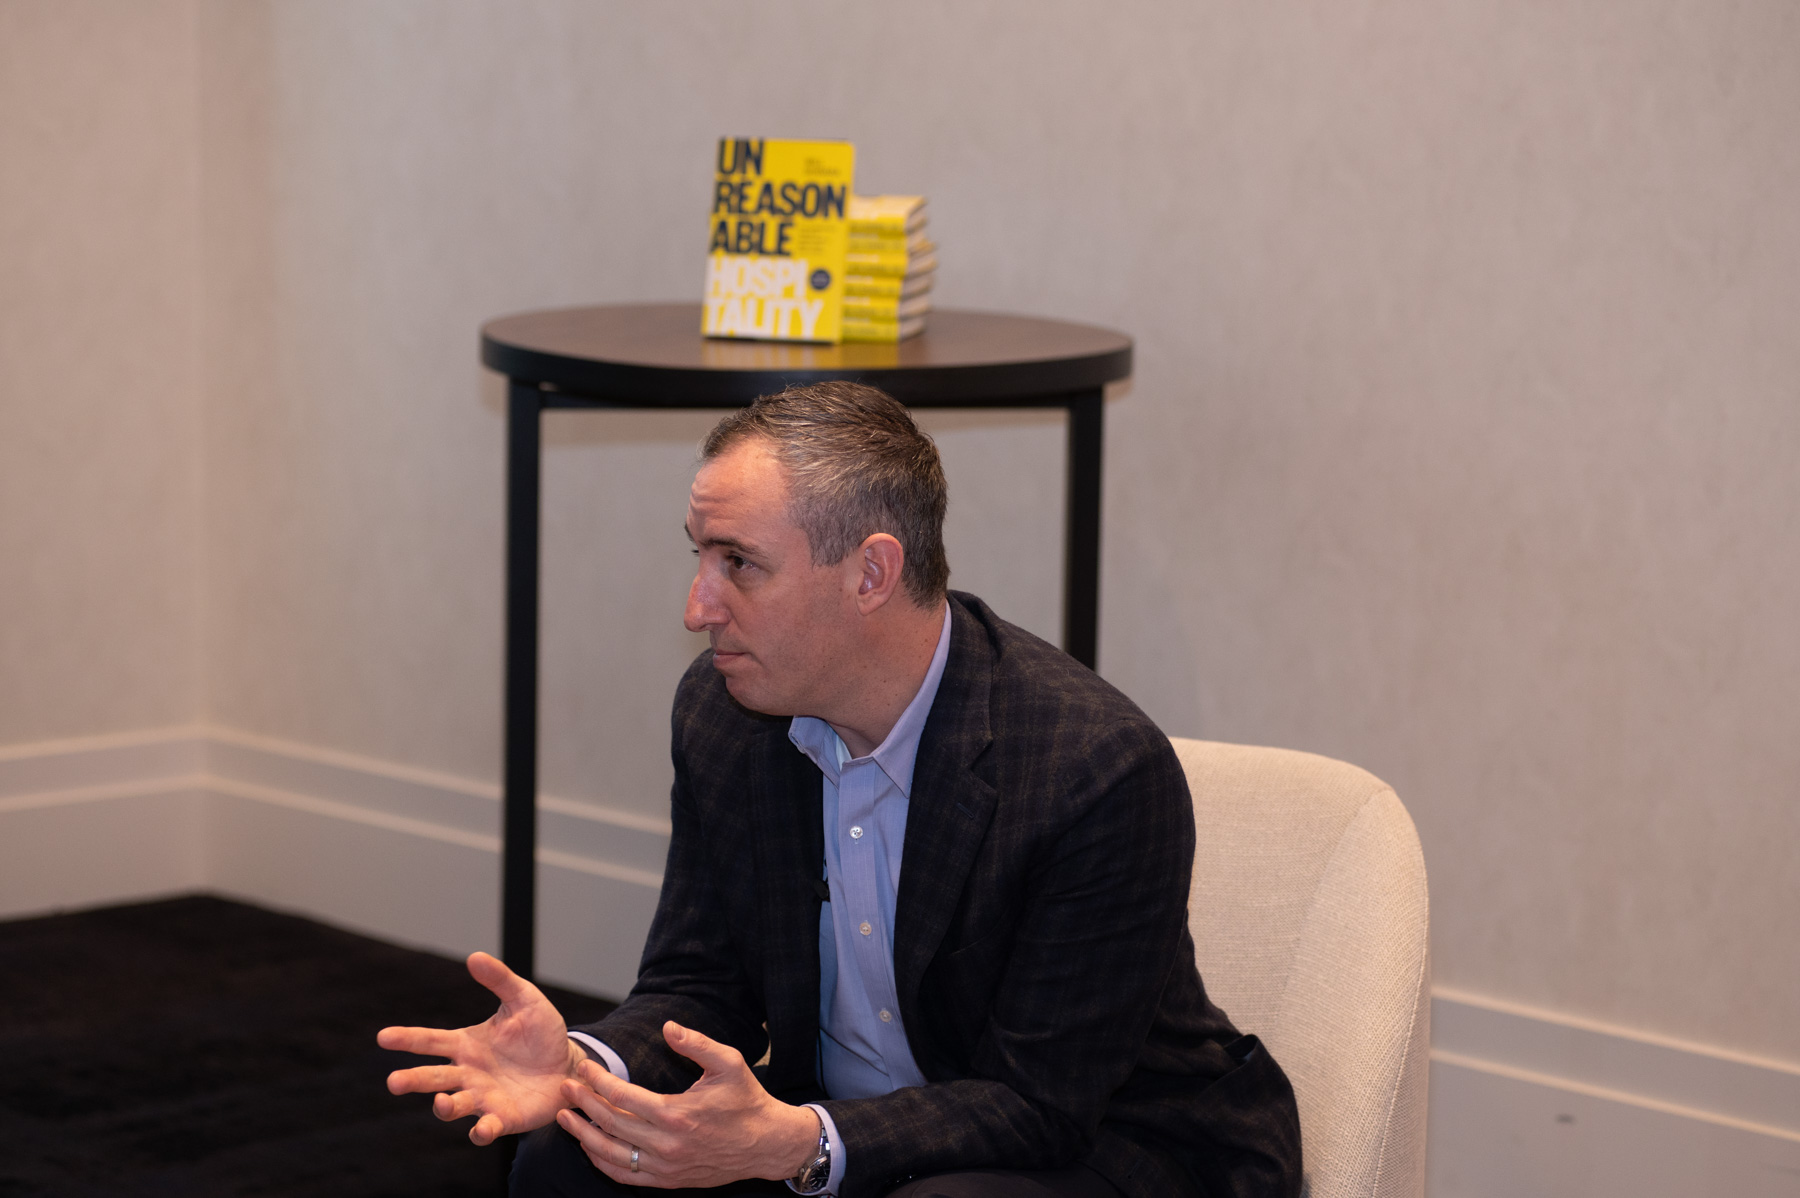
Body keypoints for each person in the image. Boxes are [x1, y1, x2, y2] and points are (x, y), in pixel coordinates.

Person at [379, 382, 1302, 1198]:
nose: (697, 608)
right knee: (569, 1162)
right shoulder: (724, 714)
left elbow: (1041, 1104)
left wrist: (797, 1143)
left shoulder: (1093, 771)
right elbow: (701, 983)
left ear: (870, 573)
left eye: (739, 563)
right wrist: (588, 1064)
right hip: (834, 1128)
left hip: (1107, 1141)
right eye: (699, 557)